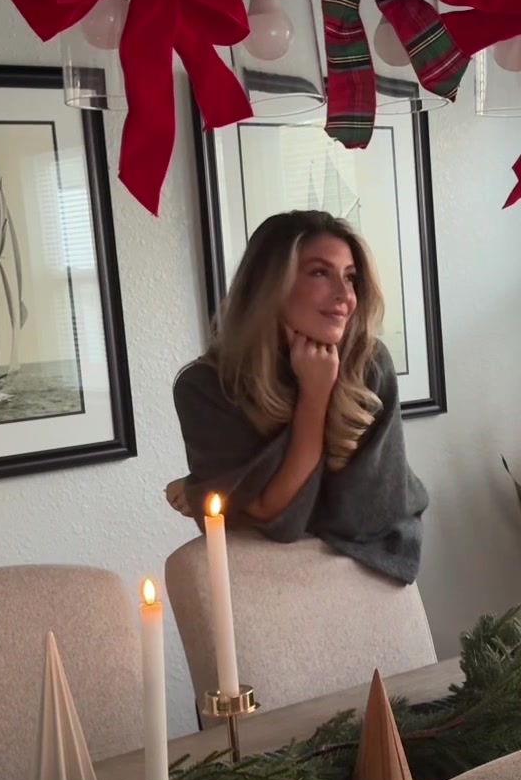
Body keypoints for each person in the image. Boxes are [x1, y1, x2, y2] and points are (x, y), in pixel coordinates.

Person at [167, 210, 428, 585]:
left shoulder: (369, 364)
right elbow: (280, 521)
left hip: (368, 584)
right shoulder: (205, 387)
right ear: (270, 286)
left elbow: (367, 516)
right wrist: (315, 397)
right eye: (320, 273)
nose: (345, 296)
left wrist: (215, 491)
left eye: (350, 277)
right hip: (262, 587)